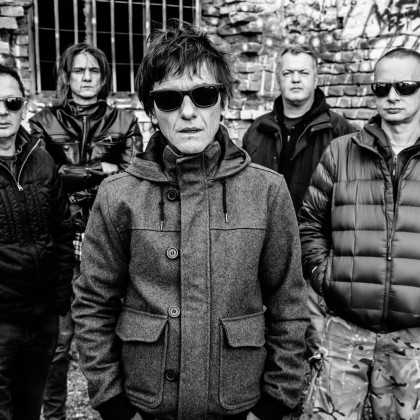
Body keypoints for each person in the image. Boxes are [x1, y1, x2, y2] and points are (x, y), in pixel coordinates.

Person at [72, 21, 309, 420]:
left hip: (240, 405)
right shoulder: (118, 195)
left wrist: (273, 405)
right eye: (168, 99)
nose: (187, 112)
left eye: (203, 95)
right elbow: (93, 304)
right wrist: (114, 405)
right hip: (146, 405)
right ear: (151, 110)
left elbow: (289, 303)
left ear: (223, 102)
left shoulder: (267, 191)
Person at [299, 47, 420, 419]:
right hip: (345, 328)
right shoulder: (341, 152)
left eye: (405, 86)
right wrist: (327, 277)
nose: (392, 96)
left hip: (414, 338)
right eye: (382, 87)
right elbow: (310, 224)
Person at [29, 43, 143, 420]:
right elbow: (43, 178)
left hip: (111, 239)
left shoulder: (124, 122)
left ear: (104, 76)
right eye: (79, 70)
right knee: (59, 340)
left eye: (94, 70)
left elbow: (133, 179)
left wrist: (74, 178)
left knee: (118, 334)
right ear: (66, 76)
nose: (87, 77)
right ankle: (54, 415)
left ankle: (121, 411)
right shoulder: (42, 121)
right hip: (60, 240)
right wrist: (99, 171)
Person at [242, 45, 356, 358]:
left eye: (303, 72)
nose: (295, 79)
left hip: (315, 256)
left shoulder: (341, 132)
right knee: (262, 341)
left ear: (316, 78)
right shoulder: (256, 132)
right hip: (263, 256)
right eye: (288, 72)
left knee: (316, 346)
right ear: (277, 78)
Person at [0, 65, 73, 420]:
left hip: (41, 320)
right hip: (2, 324)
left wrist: (58, 300)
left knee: (28, 412)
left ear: (24, 106)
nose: (3, 112)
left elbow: (62, 231)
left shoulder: (41, 159)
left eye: (11, 102)